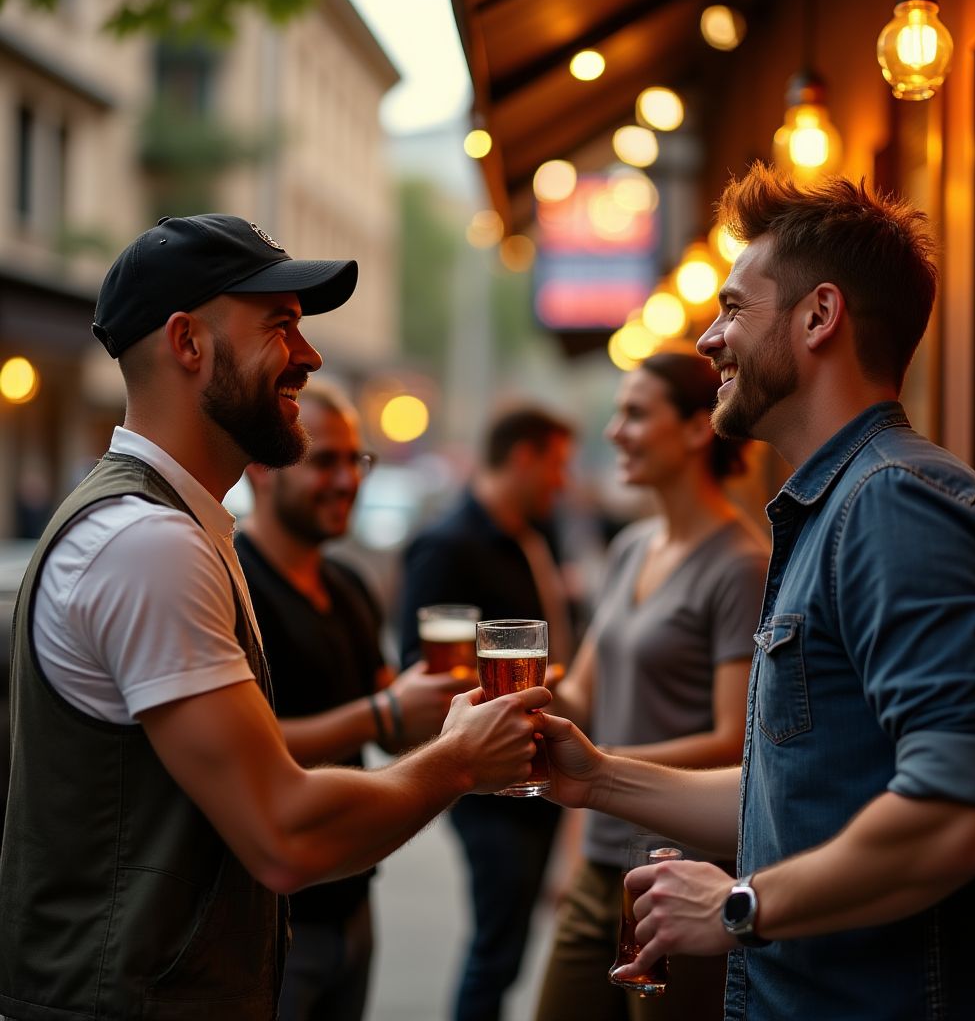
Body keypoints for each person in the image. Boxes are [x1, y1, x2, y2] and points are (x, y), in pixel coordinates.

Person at [0, 214, 549, 1021]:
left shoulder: (176, 527)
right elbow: (285, 835)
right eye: (280, 326)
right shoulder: (147, 541)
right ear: (188, 343)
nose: (311, 355)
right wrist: (460, 761)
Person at [538, 163, 975, 1019]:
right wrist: (598, 776)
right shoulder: (836, 507)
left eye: (731, 307)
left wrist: (738, 908)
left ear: (818, 317)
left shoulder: (892, 506)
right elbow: (789, 795)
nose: (708, 340)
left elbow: (962, 813)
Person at [534, 350, 768, 1021]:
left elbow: (734, 740)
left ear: (699, 428)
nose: (614, 432)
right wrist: (511, 691)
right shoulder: (632, 545)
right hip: (602, 859)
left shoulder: (740, 564)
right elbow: (581, 696)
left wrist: (604, 769)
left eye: (635, 414)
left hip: (681, 867)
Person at [237, 378, 476, 1021]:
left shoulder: (347, 584)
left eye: (355, 460)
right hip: (266, 916)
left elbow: (392, 729)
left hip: (352, 896)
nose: (347, 480)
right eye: (324, 461)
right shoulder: (235, 584)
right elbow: (244, 748)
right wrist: (385, 713)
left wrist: (441, 715)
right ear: (261, 468)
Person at [399, 406, 575, 1021]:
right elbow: (416, 672)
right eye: (556, 465)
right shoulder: (448, 544)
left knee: (512, 942)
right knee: (496, 948)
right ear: (522, 458)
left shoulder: (532, 534)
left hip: (539, 765)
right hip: (487, 783)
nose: (563, 481)